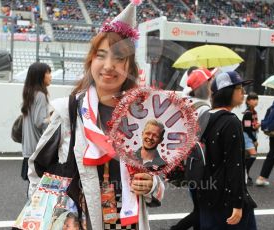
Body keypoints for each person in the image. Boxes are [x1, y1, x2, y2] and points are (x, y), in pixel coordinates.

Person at [28, 2, 164, 229]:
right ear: (91, 60)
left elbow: (157, 176)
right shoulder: (68, 111)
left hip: (127, 222)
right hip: (80, 221)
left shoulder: (142, 117)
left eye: (119, 58)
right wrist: (54, 215)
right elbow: (36, 169)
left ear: (130, 67)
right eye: (102, 55)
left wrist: (151, 185)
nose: (109, 65)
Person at [197, 71, 257, 230]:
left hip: (207, 194)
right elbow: (235, 164)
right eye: (239, 88)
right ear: (227, 92)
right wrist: (238, 203)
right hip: (227, 199)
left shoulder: (204, 118)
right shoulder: (231, 122)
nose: (243, 92)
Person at [170, 67, 215, 230]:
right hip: (199, 163)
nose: (211, 86)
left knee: (199, 207)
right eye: (209, 82)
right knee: (203, 209)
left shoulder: (186, 104)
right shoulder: (203, 108)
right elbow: (202, 139)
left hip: (188, 162)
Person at [21, 62, 52, 191]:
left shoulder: (29, 92)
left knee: (32, 186)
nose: (51, 76)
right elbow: (40, 122)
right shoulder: (40, 95)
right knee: (39, 188)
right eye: (48, 73)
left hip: (28, 147)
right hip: (37, 148)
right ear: (41, 76)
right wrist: (53, 118)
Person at [242, 92, 260, 186]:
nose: (255, 101)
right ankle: (244, 173)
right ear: (248, 101)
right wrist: (254, 140)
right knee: (252, 155)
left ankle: (245, 174)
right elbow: (246, 128)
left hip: (251, 134)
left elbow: (251, 127)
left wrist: (256, 126)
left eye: (256, 99)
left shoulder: (254, 112)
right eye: (253, 99)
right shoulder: (248, 113)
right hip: (247, 136)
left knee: (248, 157)